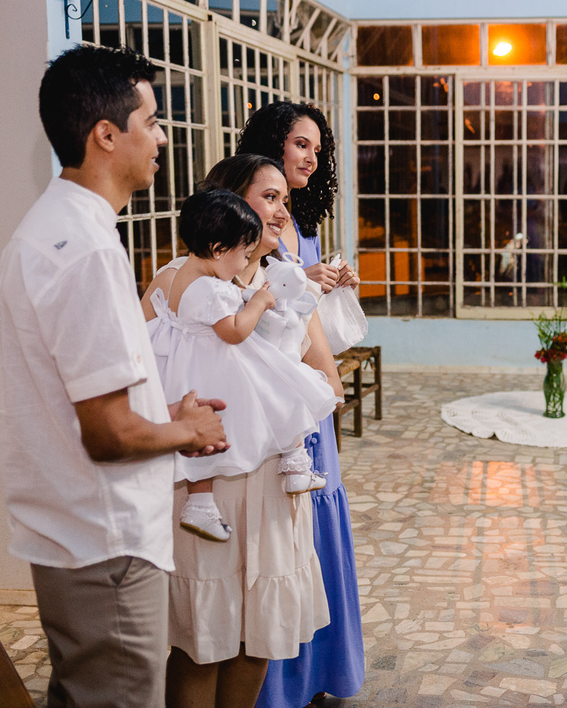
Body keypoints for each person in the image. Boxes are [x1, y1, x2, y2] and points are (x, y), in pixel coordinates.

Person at [0, 44, 229, 708]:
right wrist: (185, 428)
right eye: (150, 120)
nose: (162, 135)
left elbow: (91, 397)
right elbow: (108, 433)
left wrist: (165, 409)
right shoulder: (86, 249)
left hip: (74, 533)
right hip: (108, 546)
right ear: (106, 135)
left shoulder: (53, 230)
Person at [140, 154, 343, 708]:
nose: (282, 212)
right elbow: (136, 369)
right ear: (232, 204)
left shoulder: (286, 283)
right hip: (210, 475)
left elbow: (325, 372)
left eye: (285, 199)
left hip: (275, 481)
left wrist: (300, 386)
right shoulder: (180, 280)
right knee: (202, 639)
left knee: (261, 637)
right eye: (270, 198)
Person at [238, 102, 366, 707]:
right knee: (282, 530)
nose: (311, 158)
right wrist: (302, 279)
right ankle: (278, 686)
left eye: (318, 148)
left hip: (310, 388)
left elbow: (308, 308)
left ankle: (319, 672)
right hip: (271, 393)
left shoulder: (301, 221)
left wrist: (329, 280)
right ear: (270, 146)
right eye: (299, 145)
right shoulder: (247, 217)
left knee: (319, 516)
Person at [147, 188, 339, 543]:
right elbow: (233, 331)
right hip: (216, 365)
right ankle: (295, 463)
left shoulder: (185, 275)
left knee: (205, 445)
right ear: (220, 250)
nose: (244, 263)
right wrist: (261, 302)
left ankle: (201, 505)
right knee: (282, 389)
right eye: (244, 254)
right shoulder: (209, 287)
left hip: (190, 370)